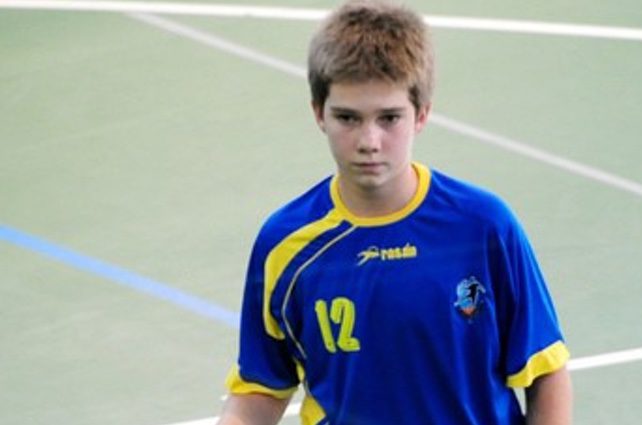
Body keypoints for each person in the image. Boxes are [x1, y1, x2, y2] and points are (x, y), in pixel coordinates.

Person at [217, 1, 572, 424]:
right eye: (348, 118)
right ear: (318, 114)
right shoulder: (286, 244)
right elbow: (260, 387)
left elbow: (545, 371)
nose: (369, 140)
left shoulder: (482, 227)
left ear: (421, 114)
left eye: (389, 118)